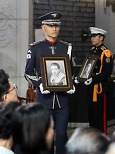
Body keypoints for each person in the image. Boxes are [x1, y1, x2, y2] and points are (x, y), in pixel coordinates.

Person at [24, 11, 75, 154]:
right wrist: (39, 83)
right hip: (44, 100)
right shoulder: (35, 48)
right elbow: (28, 72)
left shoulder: (67, 47)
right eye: (51, 25)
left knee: (61, 135)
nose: (54, 29)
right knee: (46, 136)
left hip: (62, 100)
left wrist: (71, 83)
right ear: (43, 28)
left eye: (57, 26)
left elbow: (70, 71)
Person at [75, 27, 113, 134]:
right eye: (91, 36)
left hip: (99, 87)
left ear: (101, 38)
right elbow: (87, 67)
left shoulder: (105, 52)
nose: (92, 39)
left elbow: (106, 72)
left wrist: (93, 79)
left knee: (99, 116)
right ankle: (93, 136)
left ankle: (101, 137)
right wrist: (81, 77)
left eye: (94, 36)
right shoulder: (92, 50)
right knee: (91, 114)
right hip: (90, 87)